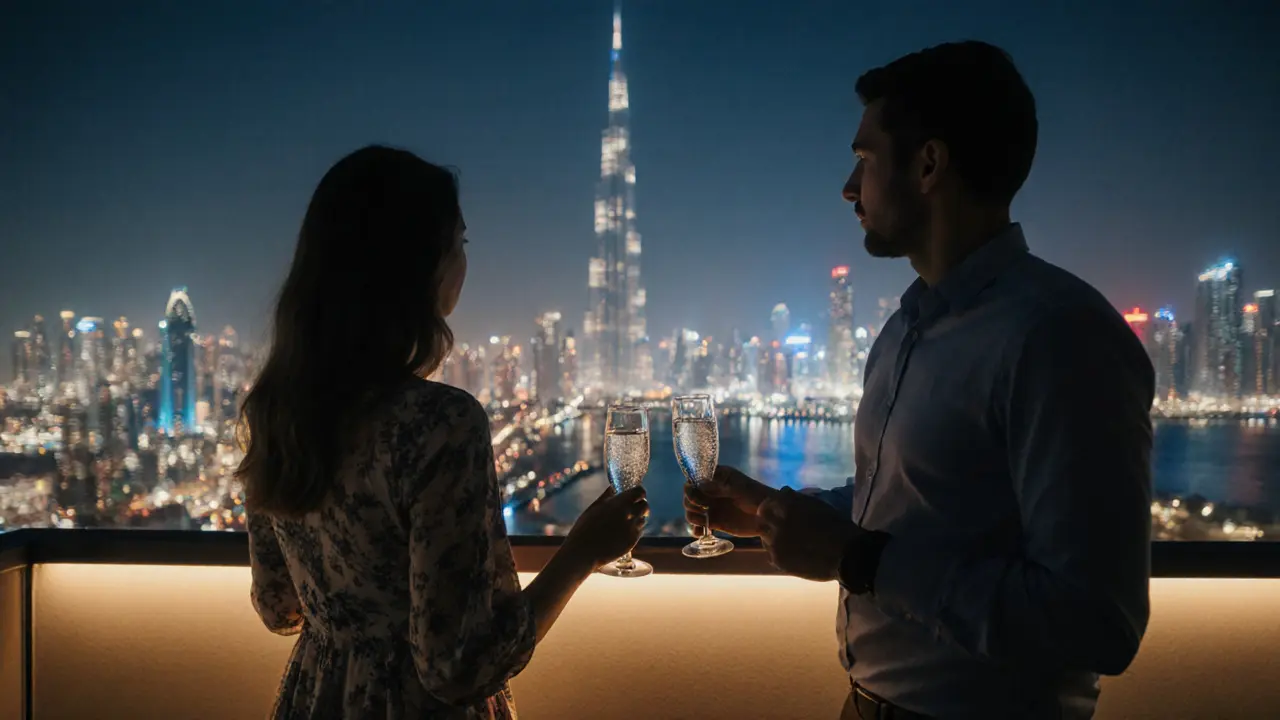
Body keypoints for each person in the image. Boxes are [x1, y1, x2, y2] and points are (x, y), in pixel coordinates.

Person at [686, 41, 1153, 719]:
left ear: (929, 164)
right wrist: (768, 511)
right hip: (865, 704)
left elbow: (1096, 622)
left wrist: (859, 559)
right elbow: (909, 500)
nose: (849, 187)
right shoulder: (907, 328)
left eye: (866, 159)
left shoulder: (1059, 336)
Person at [239, 145, 649, 719]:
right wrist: (581, 551)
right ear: (415, 265)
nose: (464, 260)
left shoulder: (275, 410)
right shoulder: (439, 423)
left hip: (319, 698)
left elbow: (279, 606)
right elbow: (457, 667)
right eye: (459, 242)